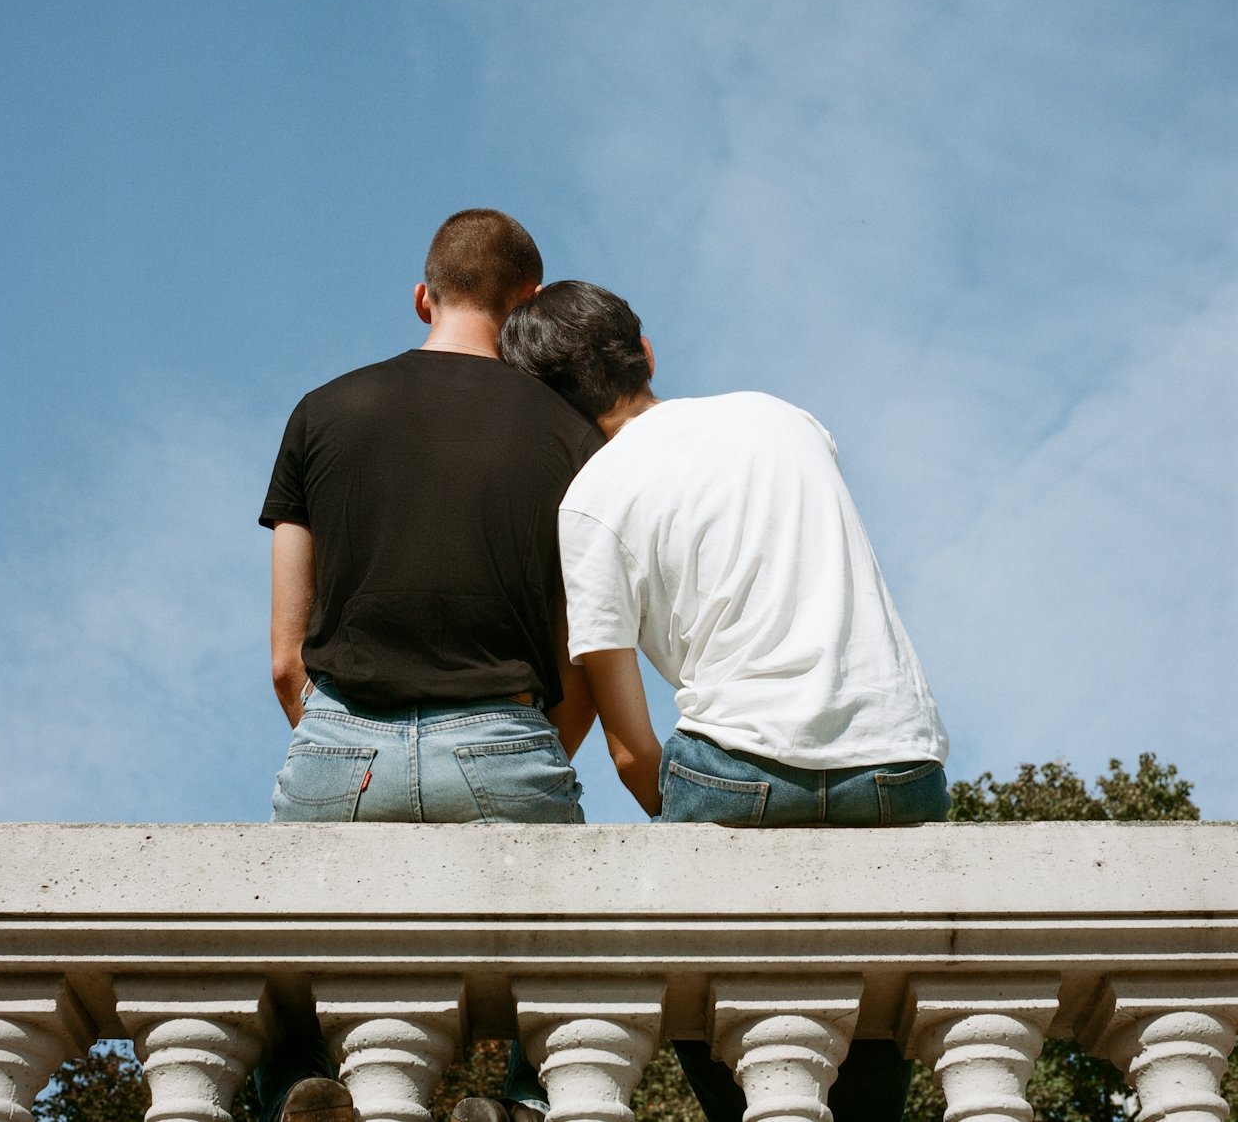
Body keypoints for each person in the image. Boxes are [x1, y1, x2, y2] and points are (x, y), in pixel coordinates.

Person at [497, 280, 951, 1122]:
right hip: (901, 762)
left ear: (549, 411)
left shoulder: (591, 502)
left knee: (683, 976)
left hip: (741, 770)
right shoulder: (785, 417)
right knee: (869, 1008)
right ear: (648, 355)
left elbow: (632, 750)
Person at [256, 212, 603, 1122]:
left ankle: (299, 1087)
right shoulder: (575, 438)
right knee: (561, 1014)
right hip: (504, 739)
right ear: (528, 303)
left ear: (423, 295)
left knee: (282, 1002)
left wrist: (352, 740)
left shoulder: (321, 410)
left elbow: (288, 657)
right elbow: (581, 656)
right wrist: (513, 736)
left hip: (340, 743)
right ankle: (517, 1107)